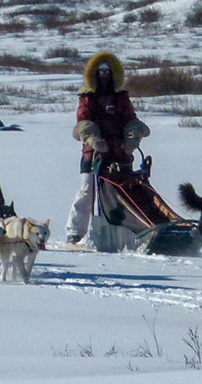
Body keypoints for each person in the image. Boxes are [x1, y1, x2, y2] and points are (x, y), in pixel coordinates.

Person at [66, 51, 149, 246]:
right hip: (93, 155)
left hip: (120, 154)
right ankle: (75, 231)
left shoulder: (121, 97)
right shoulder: (88, 98)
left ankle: (129, 229)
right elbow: (83, 121)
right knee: (87, 191)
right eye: (100, 71)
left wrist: (132, 138)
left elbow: (131, 120)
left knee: (125, 193)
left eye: (107, 71)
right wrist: (93, 139)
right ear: (94, 74)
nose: (104, 75)